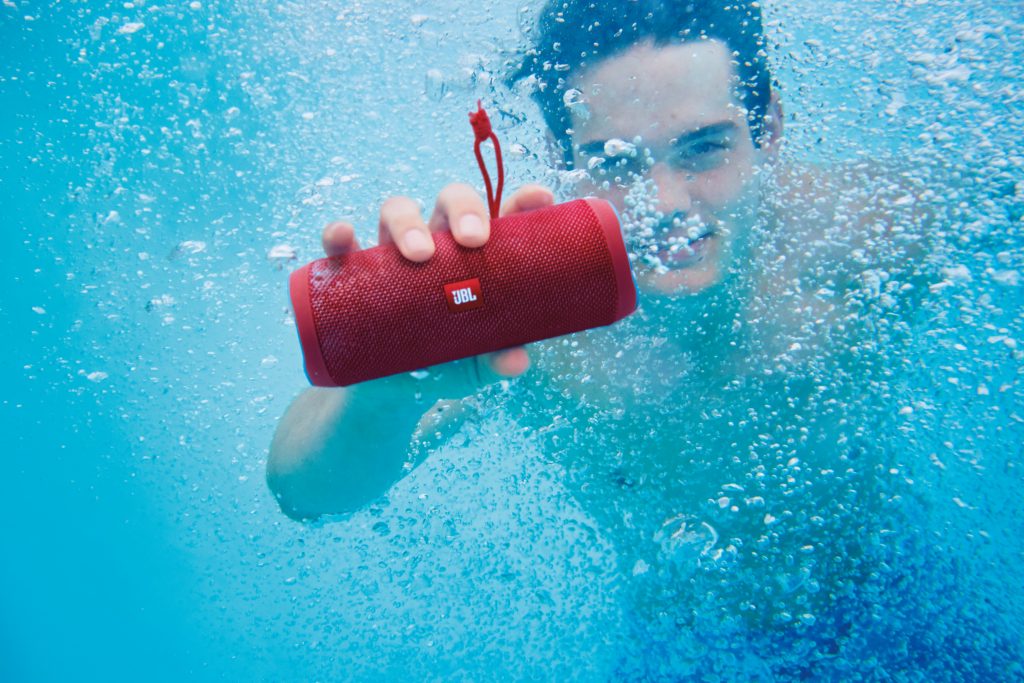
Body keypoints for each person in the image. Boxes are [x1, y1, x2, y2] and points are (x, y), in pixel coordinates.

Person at [267, 0, 1012, 676]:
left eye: (704, 149)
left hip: (897, 601)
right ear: (562, 164)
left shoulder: (868, 234)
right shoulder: (537, 326)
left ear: (770, 131)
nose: (665, 203)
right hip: (689, 650)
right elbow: (301, 491)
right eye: (615, 164)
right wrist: (387, 392)